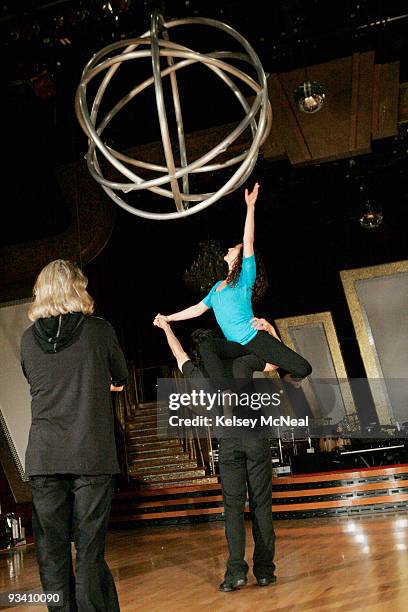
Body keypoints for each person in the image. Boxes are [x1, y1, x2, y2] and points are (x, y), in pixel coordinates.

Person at [21, 259, 128, 612]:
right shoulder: (99, 331)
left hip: (44, 457)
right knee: (88, 552)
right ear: (77, 288)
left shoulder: (27, 340)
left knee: (51, 556)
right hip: (91, 454)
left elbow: (37, 381)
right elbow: (120, 377)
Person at [154, 316, 277, 592]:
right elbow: (274, 363)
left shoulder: (198, 375)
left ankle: (236, 574)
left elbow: (178, 354)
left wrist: (166, 327)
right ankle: (265, 572)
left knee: (233, 510)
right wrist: (269, 330)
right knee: (261, 506)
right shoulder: (240, 362)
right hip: (255, 437)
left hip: (229, 443)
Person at [155, 183, 312, 389]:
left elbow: (248, 240)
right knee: (207, 345)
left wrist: (251, 206)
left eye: (234, 248)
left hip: (254, 339)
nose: (230, 248)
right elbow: (197, 309)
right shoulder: (217, 287)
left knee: (303, 369)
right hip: (236, 347)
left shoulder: (246, 277)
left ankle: (290, 384)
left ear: (240, 259)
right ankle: (220, 388)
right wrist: (169, 318)